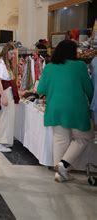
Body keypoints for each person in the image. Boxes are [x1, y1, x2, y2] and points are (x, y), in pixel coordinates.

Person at [37, 40, 93, 182]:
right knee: (83, 138)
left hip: (55, 107)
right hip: (76, 107)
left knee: (60, 140)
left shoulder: (49, 67)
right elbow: (89, 88)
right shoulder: (80, 66)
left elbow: (40, 89)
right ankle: (64, 164)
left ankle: (60, 174)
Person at [0, 43, 19, 153]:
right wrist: (3, 96)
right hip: (5, 91)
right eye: (11, 53)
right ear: (6, 51)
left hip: (8, 91)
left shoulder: (5, 63)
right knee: (5, 118)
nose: (13, 56)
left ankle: (5, 140)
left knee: (9, 117)